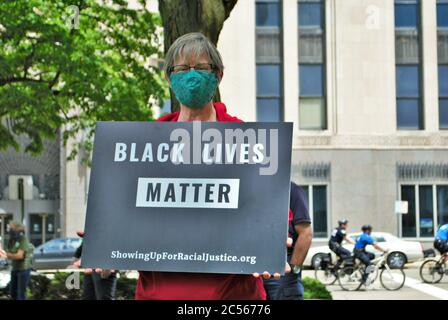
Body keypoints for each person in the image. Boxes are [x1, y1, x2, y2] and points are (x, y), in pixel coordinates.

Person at [134, 32, 289, 300]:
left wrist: (272, 243)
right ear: (169, 77)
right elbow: (125, 209)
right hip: (157, 293)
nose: (191, 75)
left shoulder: (246, 139)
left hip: (234, 297)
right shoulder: (147, 141)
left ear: (218, 75)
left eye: (201, 67)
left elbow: (269, 209)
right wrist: (103, 239)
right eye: (182, 68)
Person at [263, 182, 312, 300]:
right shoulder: (251, 187)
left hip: (283, 273)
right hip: (253, 273)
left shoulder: (292, 190)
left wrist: (293, 269)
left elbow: (306, 234)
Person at [73, 231, 117, 300]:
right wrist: (80, 256)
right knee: (88, 296)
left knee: (104, 297)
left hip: (104, 264)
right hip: (91, 265)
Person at [0, 221, 33, 300]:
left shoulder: (23, 239)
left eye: (12, 227)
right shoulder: (12, 240)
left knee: (21, 294)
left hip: (23, 270)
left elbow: (19, 255)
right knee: (13, 293)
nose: (10, 229)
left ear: (18, 229)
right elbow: (6, 253)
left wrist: (7, 255)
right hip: (15, 269)